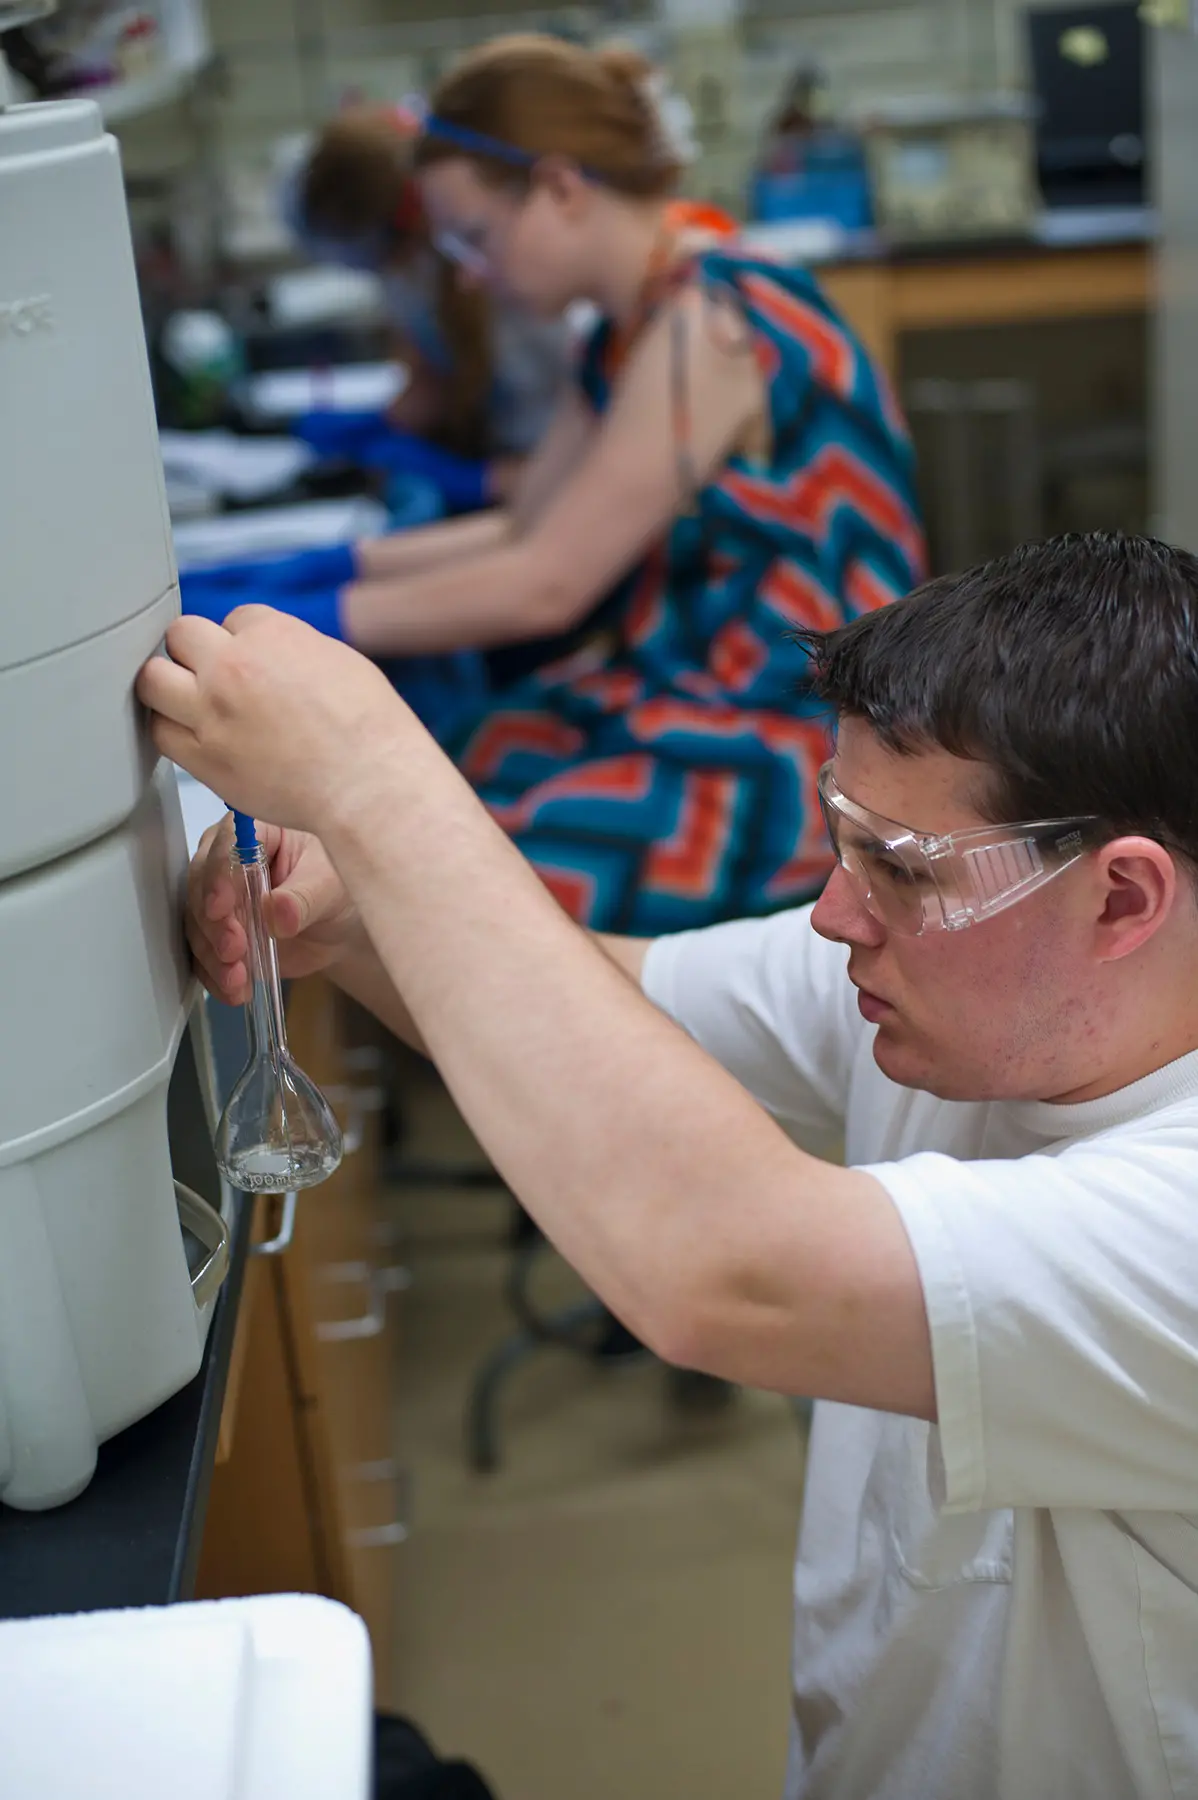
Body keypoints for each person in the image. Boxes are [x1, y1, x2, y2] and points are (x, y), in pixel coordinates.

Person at [145, 530, 1198, 1797]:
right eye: (845, 838)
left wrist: (373, 782)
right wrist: (362, 907)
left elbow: (725, 1266)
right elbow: (611, 1009)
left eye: (902, 870)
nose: (833, 916)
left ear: (1124, 900)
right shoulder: (959, 985)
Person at [186, 33, 924, 934]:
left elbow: (547, 581)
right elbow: (526, 522)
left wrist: (292, 617)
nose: (465, 269)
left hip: (799, 739)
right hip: (683, 688)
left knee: (431, 873)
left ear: (562, 188)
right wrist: (314, 572)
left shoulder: (714, 325)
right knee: (424, 787)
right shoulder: (634, 322)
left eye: (475, 235)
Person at [286, 99, 574, 503]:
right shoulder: (438, 271)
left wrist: (477, 481)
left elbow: (585, 481)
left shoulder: (538, 293)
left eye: (474, 240)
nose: (470, 274)